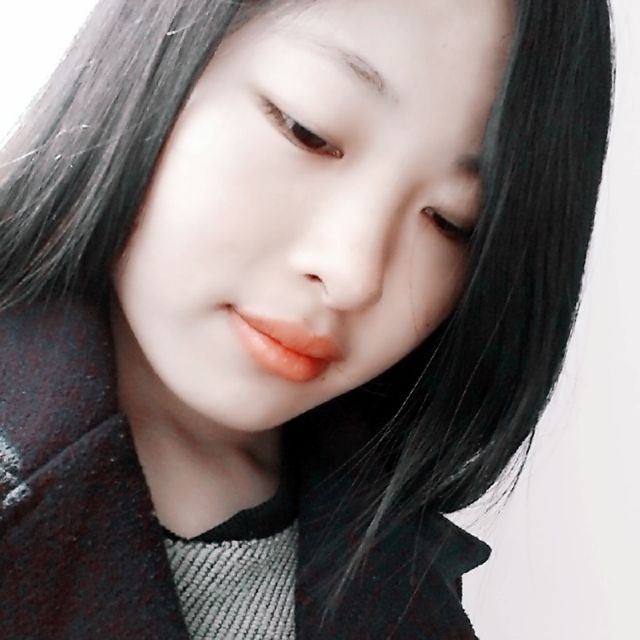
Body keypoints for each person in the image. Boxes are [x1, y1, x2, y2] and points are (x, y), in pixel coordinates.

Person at [0, 0, 613, 638]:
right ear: (153, 51)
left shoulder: (398, 574)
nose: (353, 273)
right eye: (307, 130)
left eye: (452, 221)